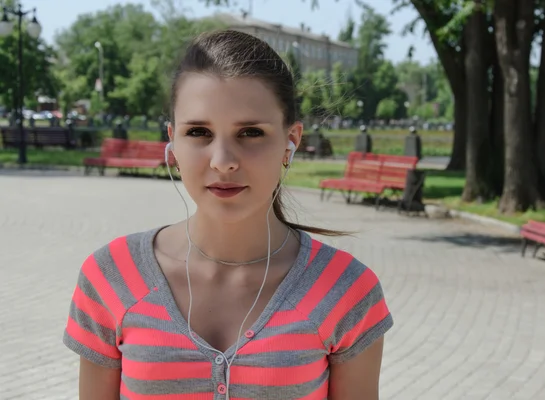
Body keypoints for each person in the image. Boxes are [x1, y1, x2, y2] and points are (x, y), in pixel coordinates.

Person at [62, 30, 393, 400]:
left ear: (291, 141)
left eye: (251, 132)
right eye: (199, 132)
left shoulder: (345, 289)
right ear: (173, 144)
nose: (222, 162)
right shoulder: (111, 276)